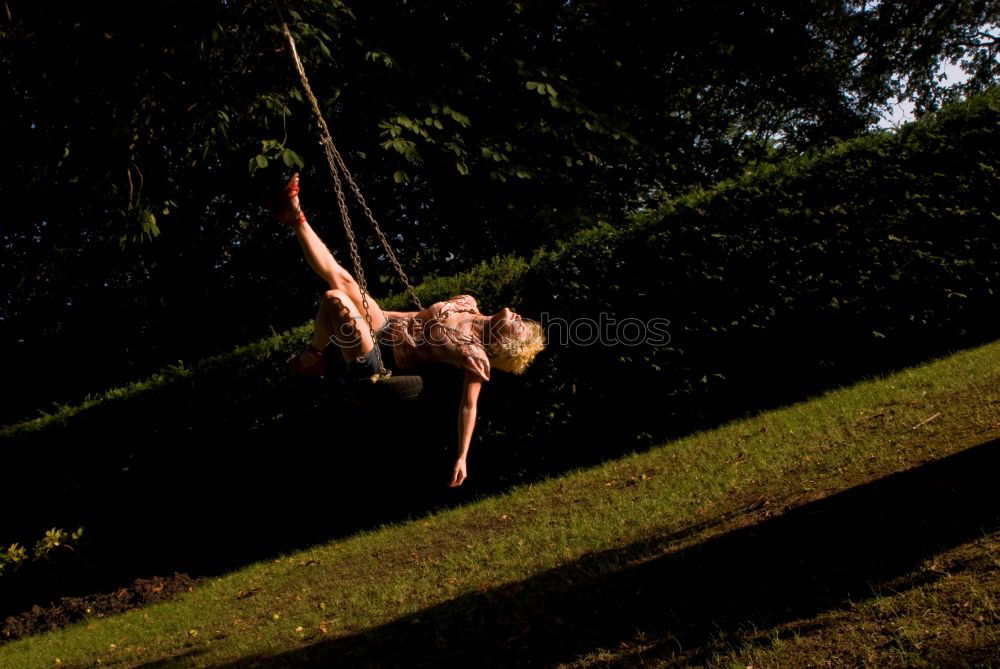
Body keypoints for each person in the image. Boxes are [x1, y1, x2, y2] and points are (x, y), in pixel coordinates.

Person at [274, 173, 545, 487]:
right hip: (386, 326)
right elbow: (415, 316)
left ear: (502, 343)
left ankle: (313, 357)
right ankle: (294, 215)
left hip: (381, 358)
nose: (518, 318)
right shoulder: (466, 304)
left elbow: (468, 407)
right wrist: (373, 309)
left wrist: (462, 456)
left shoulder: (475, 355)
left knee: (333, 299)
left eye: (518, 328)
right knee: (344, 283)